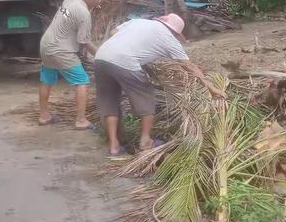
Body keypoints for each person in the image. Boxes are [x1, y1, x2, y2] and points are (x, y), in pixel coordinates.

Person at [94, 14, 226, 156]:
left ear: (162, 20)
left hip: (100, 57)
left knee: (109, 100)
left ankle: (114, 145)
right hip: (124, 61)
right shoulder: (168, 38)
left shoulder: (138, 22)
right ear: (175, 32)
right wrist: (211, 87)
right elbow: (189, 66)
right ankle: (145, 141)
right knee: (146, 95)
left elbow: (114, 33)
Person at [39, 0, 104, 129]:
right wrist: (102, 55)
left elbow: (67, 16)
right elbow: (84, 41)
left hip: (46, 44)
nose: (100, 1)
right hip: (61, 51)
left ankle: (44, 116)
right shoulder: (84, 13)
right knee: (82, 81)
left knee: (46, 80)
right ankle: (81, 120)